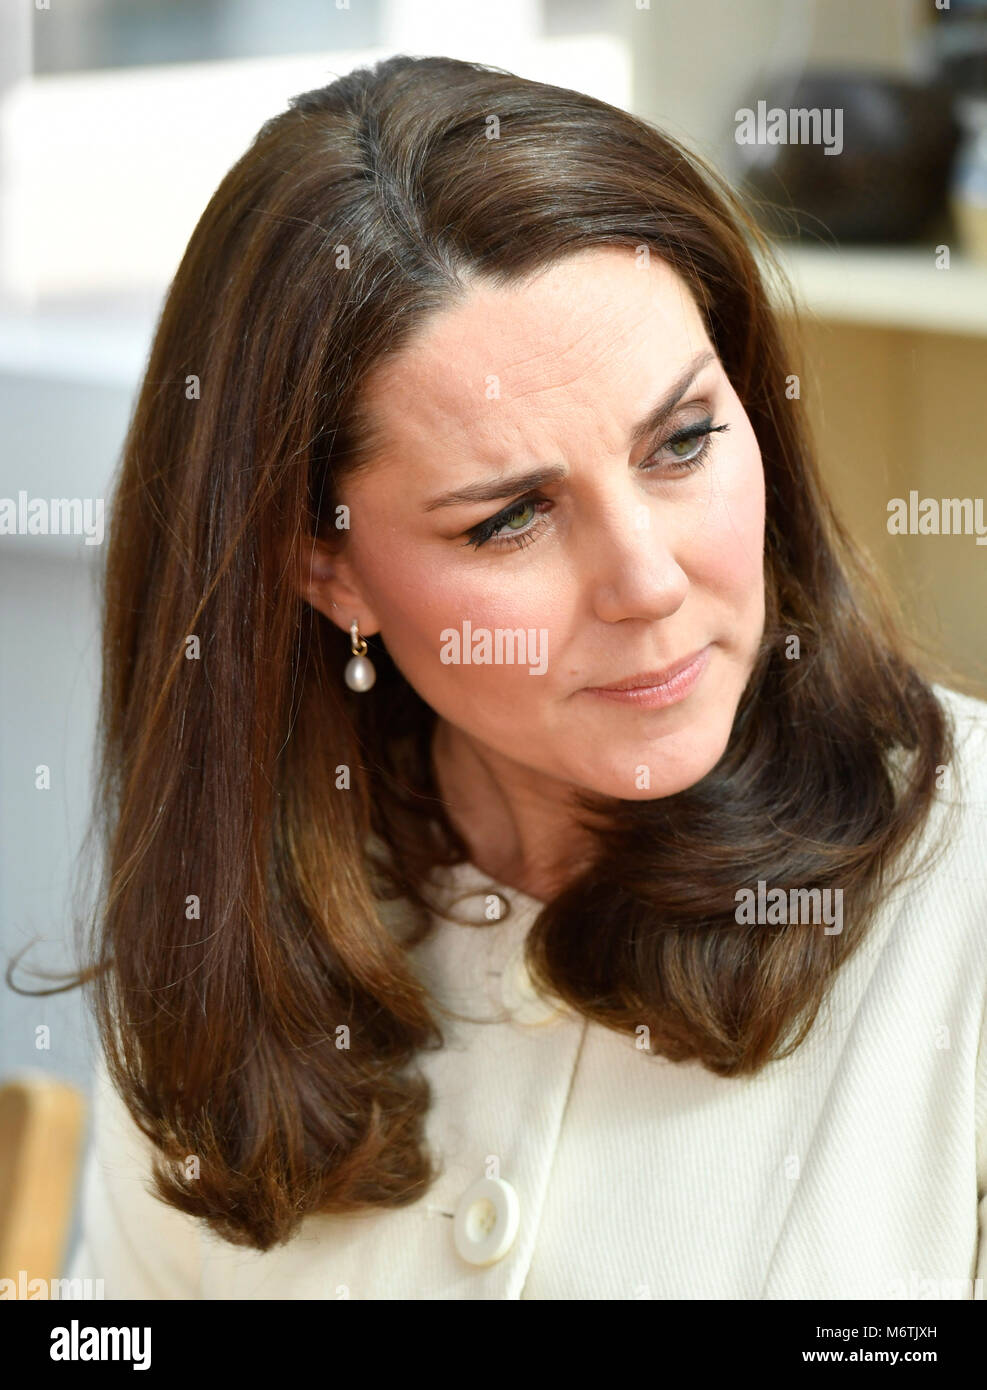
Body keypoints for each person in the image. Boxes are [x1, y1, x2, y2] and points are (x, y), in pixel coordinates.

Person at [57, 54, 985, 1299]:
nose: (648, 582)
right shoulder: (223, 947)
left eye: (685, 442)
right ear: (324, 565)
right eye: (509, 520)